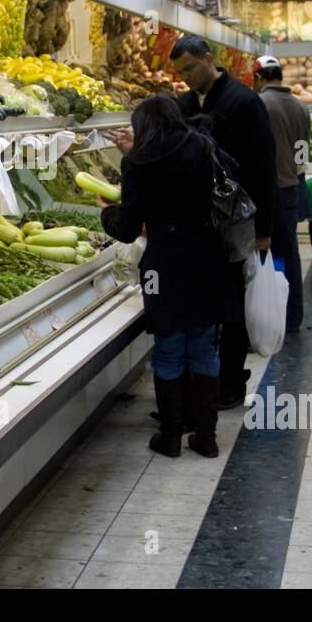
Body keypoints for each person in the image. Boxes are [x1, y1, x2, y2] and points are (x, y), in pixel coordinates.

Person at [111, 36, 275, 409]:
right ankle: (195, 404)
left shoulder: (244, 102)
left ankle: (229, 386)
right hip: (198, 235)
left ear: (208, 58)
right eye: (180, 72)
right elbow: (171, 151)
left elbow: (263, 166)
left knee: (228, 313)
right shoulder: (184, 104)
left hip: (231, 225)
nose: (186, 78)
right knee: (202, 320)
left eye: (190, 68)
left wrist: (263, 230)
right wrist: (141, 146)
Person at [99, 95, 229, 458]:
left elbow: (127, 229)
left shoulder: (137, 163)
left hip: (163, 264)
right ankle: (206, 437)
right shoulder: (202, 146)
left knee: (169, 349)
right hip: (207, 257)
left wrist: (107, 214)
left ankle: (170, 435)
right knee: (204, 348)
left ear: (142, 127)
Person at [253, 55, 310, 333]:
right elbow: (302, 152)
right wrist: (294, 175)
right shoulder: (301, 107)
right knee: (290, 254)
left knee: (264, 254)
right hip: (292, 187)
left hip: (268, 189)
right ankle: (292, 316)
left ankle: (267, 317)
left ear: (259, 77)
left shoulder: (260, 104)